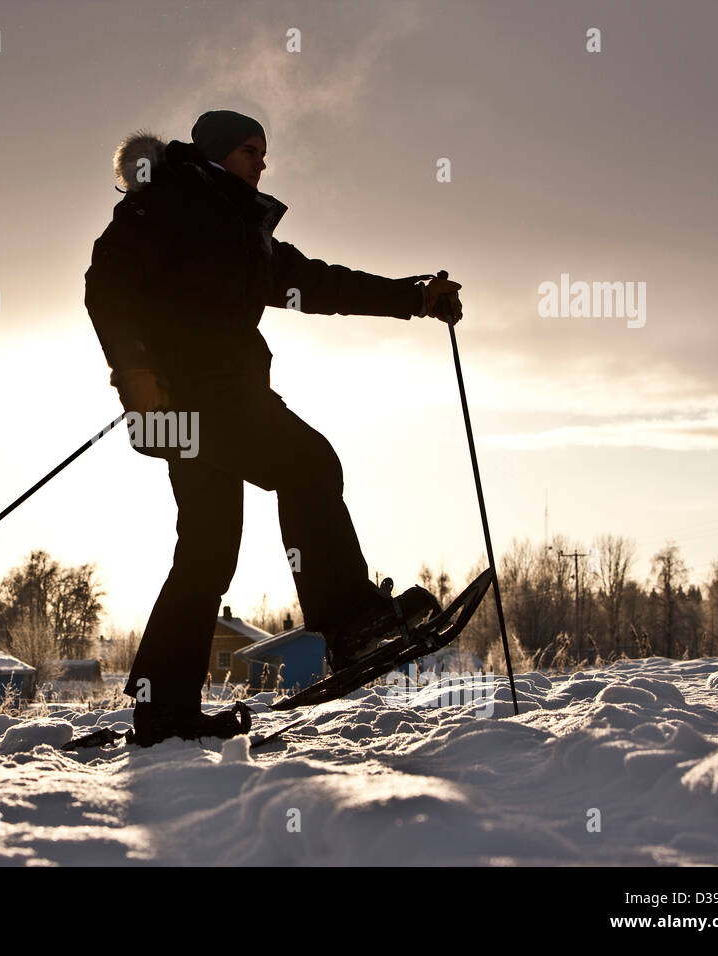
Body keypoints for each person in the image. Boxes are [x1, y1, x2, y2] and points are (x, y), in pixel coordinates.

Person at [84, 110, 463, 747]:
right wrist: (134, 374)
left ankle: (162, 710)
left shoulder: (241, 228)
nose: (263, 163)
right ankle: (347, 620)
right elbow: (107, 282)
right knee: (310, 464)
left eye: (264, 151)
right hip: (200, 401)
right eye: (251, 151)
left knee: (206, 552)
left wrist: (412, 297)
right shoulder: (172, 203)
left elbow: (314, 282)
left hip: (212, 403)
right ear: (216, 155)